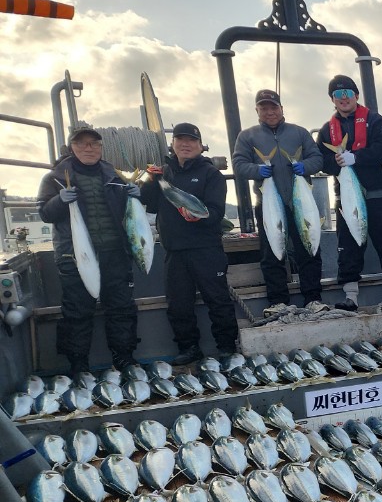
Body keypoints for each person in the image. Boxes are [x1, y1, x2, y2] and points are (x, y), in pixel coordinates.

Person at [37, 124, 139, 373]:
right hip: (75, 256)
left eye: (94, 143)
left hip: (115, 252)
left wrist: (137, 194)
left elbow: (130, 212)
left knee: (122, 307)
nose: (88, 148)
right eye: (81, 143)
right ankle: (78, 364)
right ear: (71, 147)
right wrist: (59, 201)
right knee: (77, 311)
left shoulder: (116, 175)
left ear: (101, 147)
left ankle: (124, 357)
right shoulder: (53, 178)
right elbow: (45, 214)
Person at [140, 122, 239, 363]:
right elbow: (149, 204)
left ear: (200, 145)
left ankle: (227, 347)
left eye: (192, 140)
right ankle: (188, 348)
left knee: (218, 300)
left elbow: (215, 212)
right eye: (180, 139)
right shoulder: (163, 174)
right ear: (173, 144)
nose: (186, 144)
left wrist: (199, 217)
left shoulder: (211, 174)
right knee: (178, 305)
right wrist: (149, 181)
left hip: (206, 249)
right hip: (174, 250)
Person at [232, 88, 327, 318]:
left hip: (300, 204)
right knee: (272, 253)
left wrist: (305, 166)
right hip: (269, 204)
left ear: (281, 109)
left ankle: (313, 299)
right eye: (263, 108)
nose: (269, 112)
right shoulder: (247, 136)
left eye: (273, 107)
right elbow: (239, 164)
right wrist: (257, 170)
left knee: (309, 249)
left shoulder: (299, 133)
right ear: (257, 111)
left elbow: (317, 158)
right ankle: (278, 301)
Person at [317, 74, 382, 311]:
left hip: (379, 194)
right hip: (347, 199)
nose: (343, 98)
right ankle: (351, 297)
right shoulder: (326, 130)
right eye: (338, 94)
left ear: (356, 95)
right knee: (348, 247)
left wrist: (356, 157)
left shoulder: (376, 121)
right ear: (332, 99)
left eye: (348, 93)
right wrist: (336, 161)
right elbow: (322, 161)